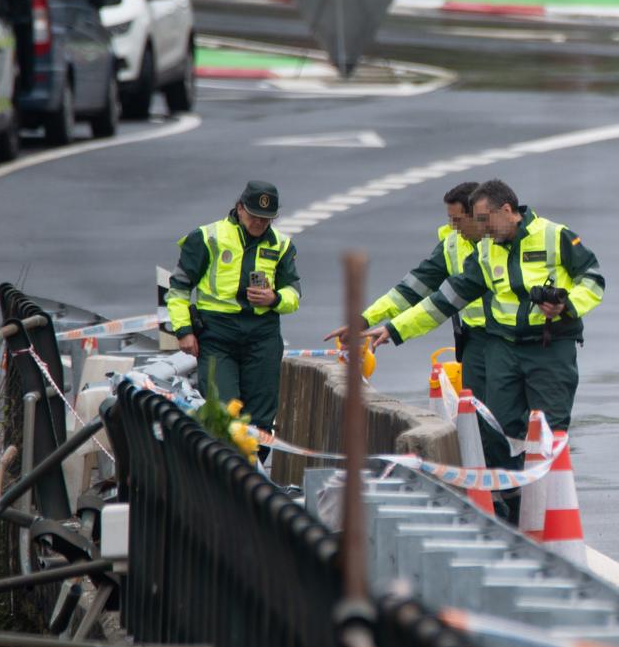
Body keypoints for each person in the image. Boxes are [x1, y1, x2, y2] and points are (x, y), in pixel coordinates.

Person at [366, 179, 604, 514]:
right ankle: (514, 506)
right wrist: (393, 329)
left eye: (484, 220)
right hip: (502, 349)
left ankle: (554, 511)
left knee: (550, 429)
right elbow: (446, 298)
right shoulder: (486, 249)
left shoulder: (555, 235)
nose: (481, 229)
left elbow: (593, 279)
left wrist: (567, 305)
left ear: (507, 211)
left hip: (550, 346)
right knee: (498, 430)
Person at [324, 182, 502, 463]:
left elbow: (440, 303)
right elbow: (411, 289)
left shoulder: (502, 243)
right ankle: (495, 497)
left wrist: (393, 329)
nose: (454, 227)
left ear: (477, 215)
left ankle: (509, 493)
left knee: (506, 422)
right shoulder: (452, 245)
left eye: (458, 220)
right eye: (450, 220)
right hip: (475, 343)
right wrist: (364, 320)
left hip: (510, 340)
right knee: (480, 423)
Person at [167, 180, 301, 439]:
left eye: (266, 219)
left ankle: (251, 472)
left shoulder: (281, 245)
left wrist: (274, 298)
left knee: (261, 418)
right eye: (254, 217)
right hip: (218, 336)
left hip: (262, 336)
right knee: (224, 411)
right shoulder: (207, 238)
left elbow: (294, 294)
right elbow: (179, 288)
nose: (259, 224)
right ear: (240, 208)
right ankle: (225, 472)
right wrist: (183, 330)